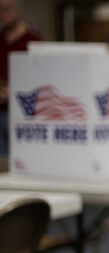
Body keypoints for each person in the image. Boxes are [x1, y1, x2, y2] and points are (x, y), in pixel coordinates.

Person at [0, 0, 42, 156]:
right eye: (1, 9)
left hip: (23, 114)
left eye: (8, 8)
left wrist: (15, 88)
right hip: (1, 110)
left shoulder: (33, 41)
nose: (4, 13)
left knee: (23, 158)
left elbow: (40, 76)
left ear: (19, 11)